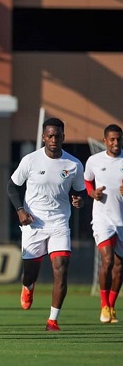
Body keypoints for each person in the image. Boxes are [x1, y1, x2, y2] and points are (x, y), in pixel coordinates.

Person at [7, 117, 85, 331]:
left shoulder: (73, 164)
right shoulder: (30, 160)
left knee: (61, 269)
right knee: (30, 272)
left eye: (58, 136)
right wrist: (20, 210)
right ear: (43, 137)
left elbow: (79, 192)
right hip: (33, 224)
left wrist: (79, 200)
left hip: (59, 223)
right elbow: (12, 187)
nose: (53, 139)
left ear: (63, 137)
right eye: (50, 136)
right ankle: (28, 286)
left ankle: (53, 320)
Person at [83, 124, 123, 324]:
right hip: (102, 219)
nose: (116, 143)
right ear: (105, 140)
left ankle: (111, 306)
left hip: (121, 220)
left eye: (119, 139)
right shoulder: (94, 161)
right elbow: (87, 181)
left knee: (119, 267)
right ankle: (103, 306)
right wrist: (92, 194)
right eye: (112, 139)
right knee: (107, 261)